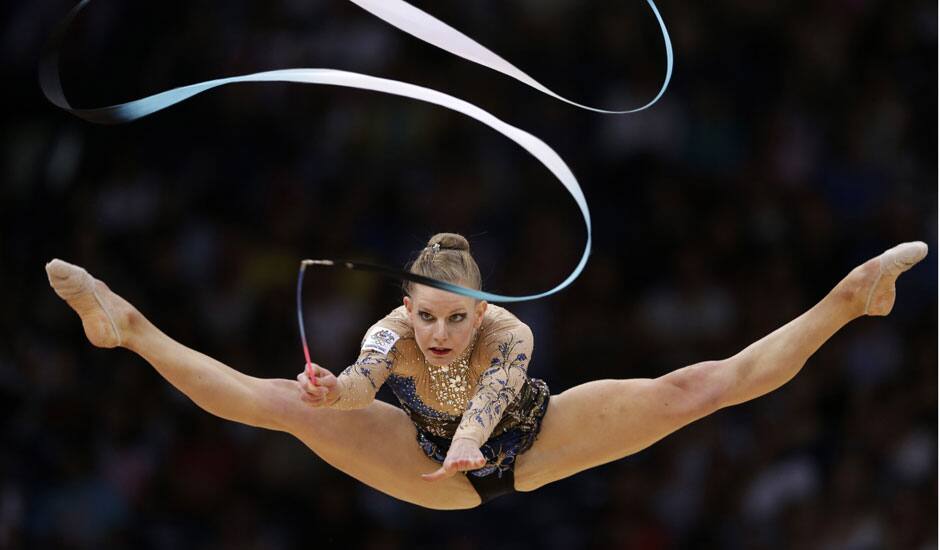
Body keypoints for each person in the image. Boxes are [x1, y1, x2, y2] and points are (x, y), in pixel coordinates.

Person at [45, 233, 928, 510]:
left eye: (453, 319)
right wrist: (336, 392)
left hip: (528, 441)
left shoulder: (508, 337)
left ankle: (851, 299)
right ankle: (128, 329)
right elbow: (361, 381)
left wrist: (472, 440)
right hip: (423, 461)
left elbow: (497, 397)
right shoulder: (394, 327)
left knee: (690, 390)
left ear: (482, 310)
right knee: (283, 405)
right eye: (424, 315)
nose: (436, 333)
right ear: (405, 303)